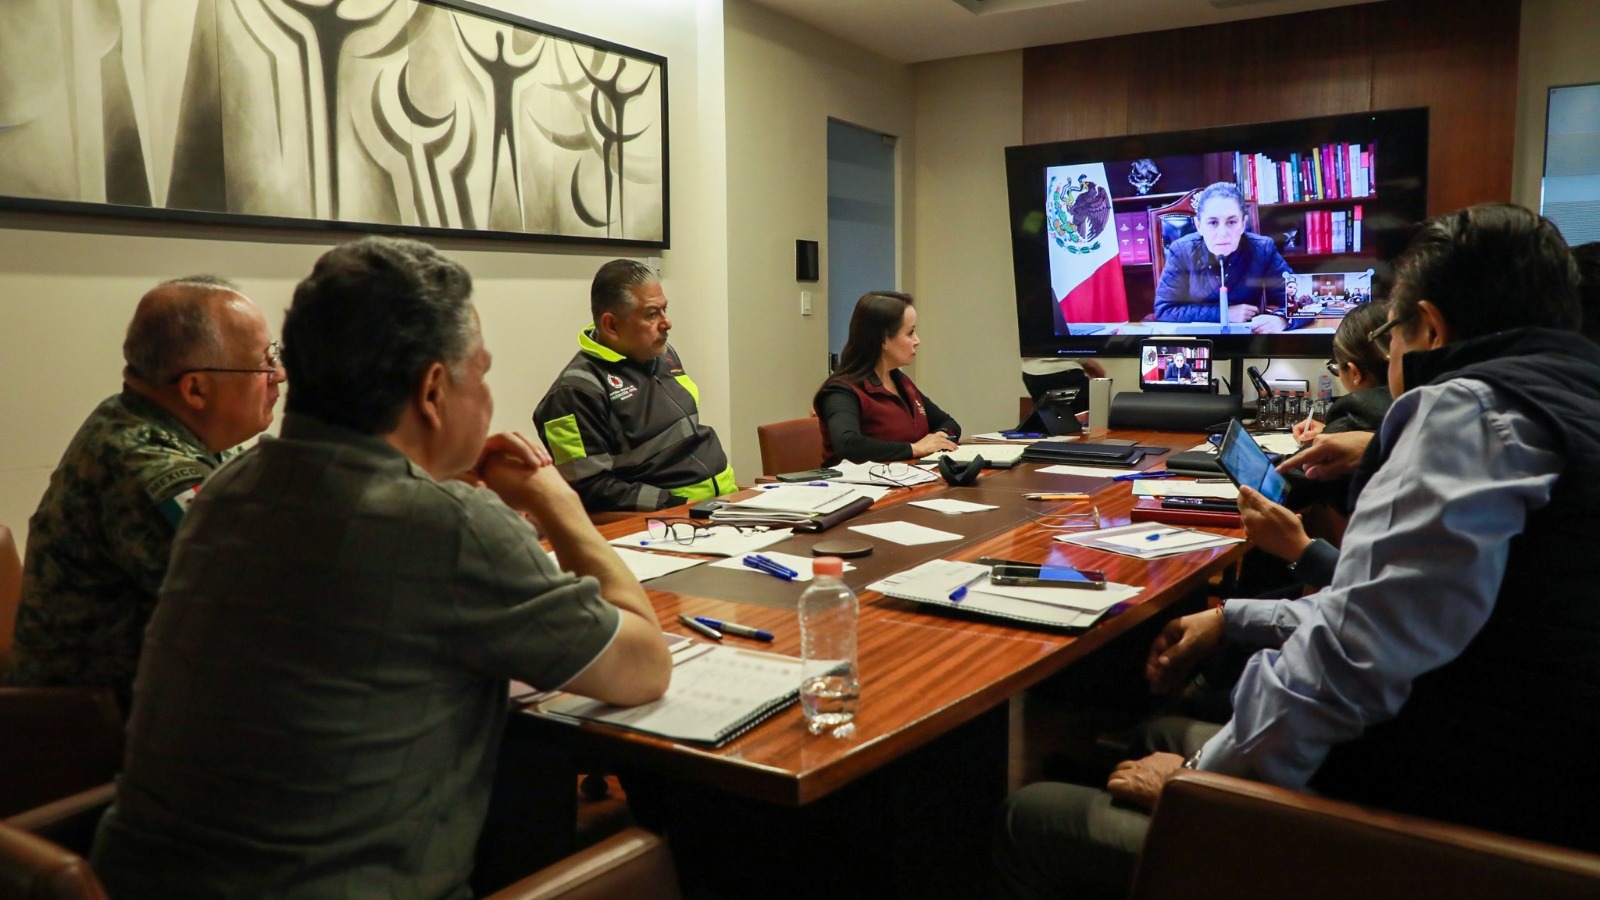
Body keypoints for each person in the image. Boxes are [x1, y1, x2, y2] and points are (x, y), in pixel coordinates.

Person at [994, 204, 1600, 899]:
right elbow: (1393, 609)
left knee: (1033, 817)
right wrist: (1234, 621)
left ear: (1429, 328)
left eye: (1396, 335)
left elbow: (1348, 660)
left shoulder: (1467, 411)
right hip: (1529, 808)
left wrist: (1200, 781)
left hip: (1432, 836)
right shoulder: (1570, 406)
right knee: (1156, 733)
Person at [92, 237, 673, 898]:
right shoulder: (449, 526)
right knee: (651, 858)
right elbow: (644, 665)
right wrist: (559, 504)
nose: (484, 397)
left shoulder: (228, 489)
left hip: (131, 883)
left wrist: (432, 479)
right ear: (433, 390)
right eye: (478, 372)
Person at [6, 276, 283, 713]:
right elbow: (256, 605)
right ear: (195, 389)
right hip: (89, 729)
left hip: (153, 706)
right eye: (265, 362)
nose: (278, 375)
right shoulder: (144, 466)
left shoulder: (149, 417)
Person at [533, 259, 735, 512]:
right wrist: (675, 506)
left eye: (665, 309)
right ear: (612, 325)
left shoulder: (663, 354)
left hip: (725, 501)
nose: (667, 323)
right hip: (673, 519)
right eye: (652, 314)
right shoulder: (573, 394)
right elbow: (588, 490)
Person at [813, 291, 960, 465]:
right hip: (862, 489)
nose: (917, 340)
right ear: (883, 340)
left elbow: (949, 424)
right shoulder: (841, 391)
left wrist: (939, 439)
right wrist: (914, 449)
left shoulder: (900, 381)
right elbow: (848, 444)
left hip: (910, 482)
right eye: (910, 332)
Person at [1152, 182, 1293, 333]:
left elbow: (1304, 301)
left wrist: (1282, 319)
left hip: (1247, 341)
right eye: (1213, 222)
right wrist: (1224, 313)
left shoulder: (1263, 249)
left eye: (1231, 222)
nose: (1222, 233)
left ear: (1243, 224)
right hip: (1197, 341)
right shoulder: (1181, 251)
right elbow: (1165, 310)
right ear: (1198, 225)